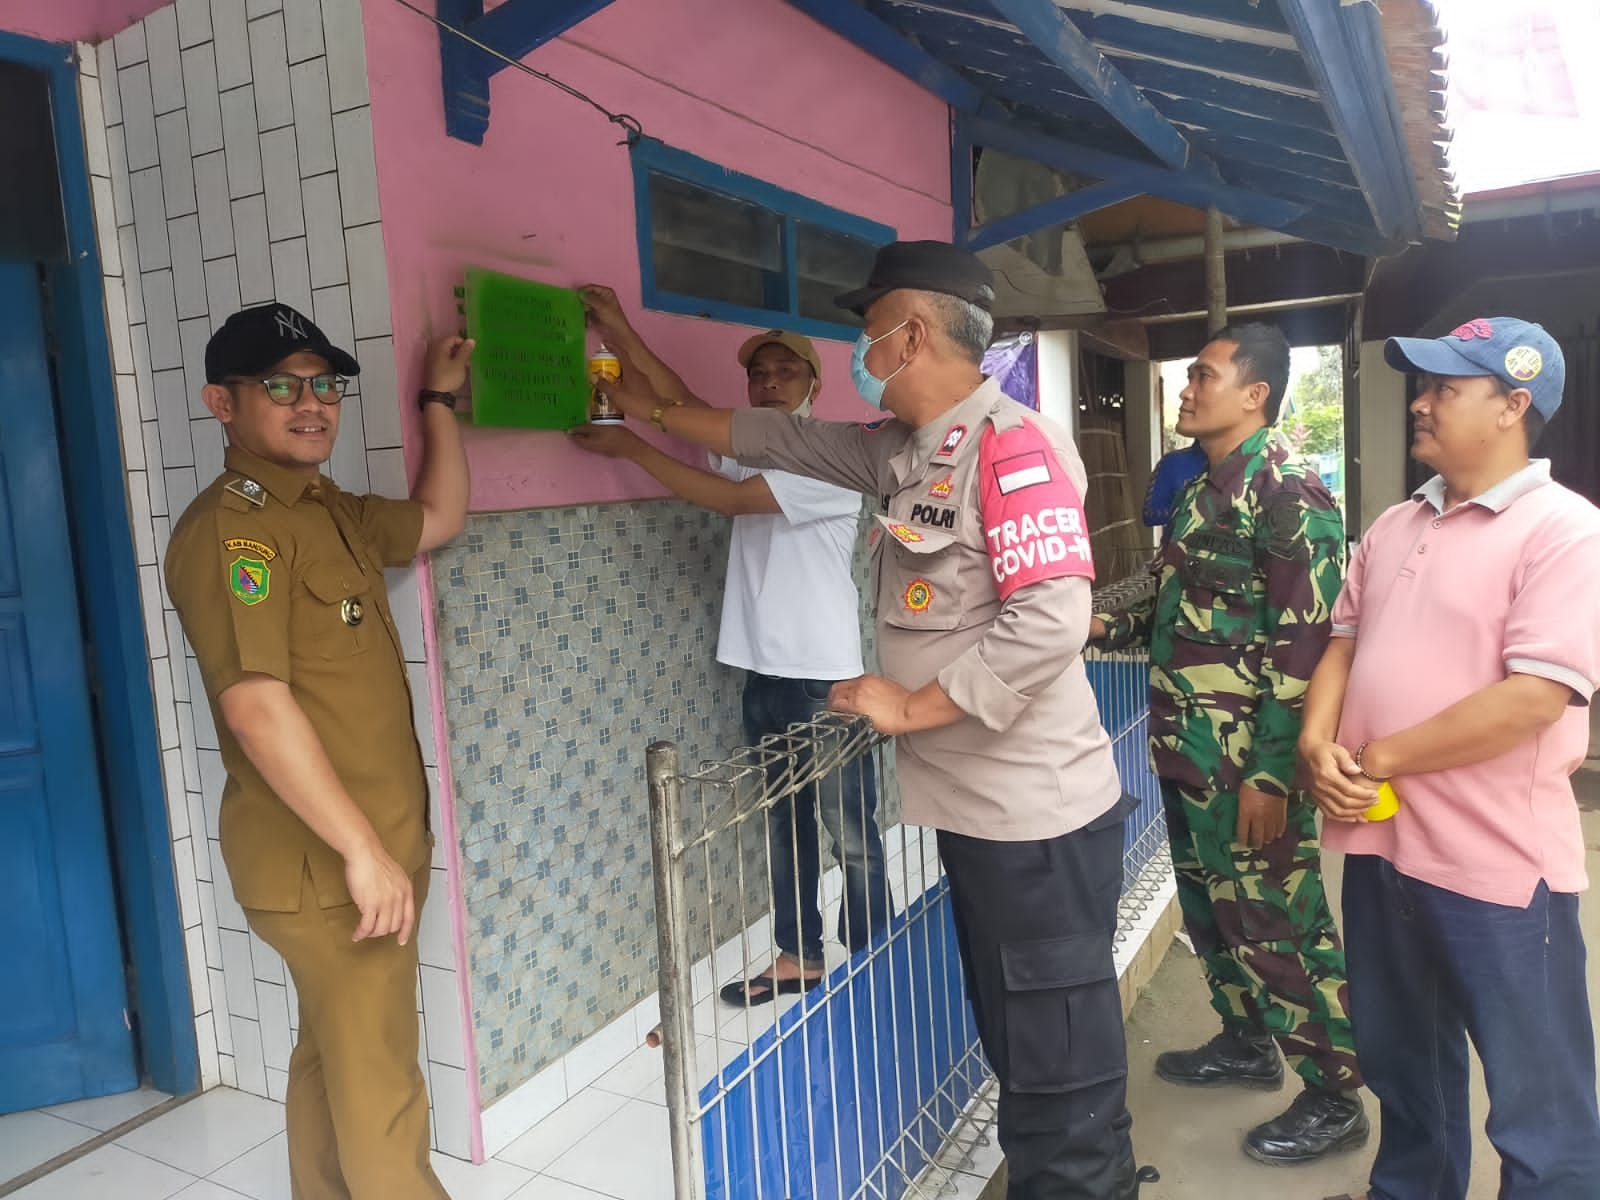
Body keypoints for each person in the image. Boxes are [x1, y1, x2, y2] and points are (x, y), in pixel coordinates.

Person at [588, 241, 1153, 1199]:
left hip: (1038, 824)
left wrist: (913, 705)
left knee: (1060, 1074)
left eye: (868, 330)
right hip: (982, 820)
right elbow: (759, 437)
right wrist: (634, 394)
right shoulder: (899, 452)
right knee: (1029, 1053)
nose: (860, 348)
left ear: (912, 333)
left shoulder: (1011, 444)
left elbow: (1052, 618)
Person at [164, 302, 471, 1199]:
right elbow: (257, 706)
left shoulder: (324, 508)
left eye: (323, 384)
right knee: (382, 1090)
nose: (311, 403)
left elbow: (438, 519)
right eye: (281, 386)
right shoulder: (236, 529)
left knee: (331, 1055)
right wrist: (363, 852)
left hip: (357, 857)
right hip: (332, 869)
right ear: (223, 404)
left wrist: (436, 402)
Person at [1299, 317, 1600, 1200]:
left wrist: (1377, 755)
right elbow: (1343, 645)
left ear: (1514, 405)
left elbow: (1535, 696)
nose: (1420, 403)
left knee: (1537, 1105)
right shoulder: (1397, 522)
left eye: (1445, 388)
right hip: (1382, 849)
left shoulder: (1565, 532)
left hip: (1497, 869)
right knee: (1406, 1070)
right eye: (1421, 386)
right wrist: (1319, 743)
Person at [1090, 324, 1366, 1166]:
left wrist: (1273, 776)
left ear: (1255, 394)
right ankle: (1247, 1041)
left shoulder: (1290, 496)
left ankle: (1334, 1091)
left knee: (1279, 922)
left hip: (1250, 767)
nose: (1185, 389)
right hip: (1188, 752)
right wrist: (1096, 616)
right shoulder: (1202, 489)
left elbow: (1307, 649)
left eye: (1203, 376)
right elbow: (1168, 593)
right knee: (1214, 916)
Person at [570, 288, 893, 1003]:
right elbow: (680, 399)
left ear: (815, 385)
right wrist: (617, 327)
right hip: (763, 674)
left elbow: (729, 503)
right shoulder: (750, 449)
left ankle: (877, 958)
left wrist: (628, 442)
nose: (769, 382)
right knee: (784, 824)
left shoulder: (830, 461)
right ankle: (798, 955)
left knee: (850, 829)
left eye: (785, 372)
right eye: (759, 374)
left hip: (826, 679)